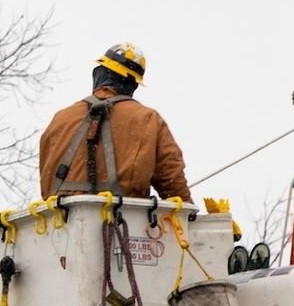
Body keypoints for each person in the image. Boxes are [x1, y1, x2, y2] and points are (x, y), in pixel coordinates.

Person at [38, 43, 192, 202]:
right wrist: (187, 210)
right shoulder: (148, 119)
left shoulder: (61, 119)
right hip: (125, 221)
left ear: (98, 74)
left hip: (57, 221)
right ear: (133, 85)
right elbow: (171, 177)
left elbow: (46, 176)